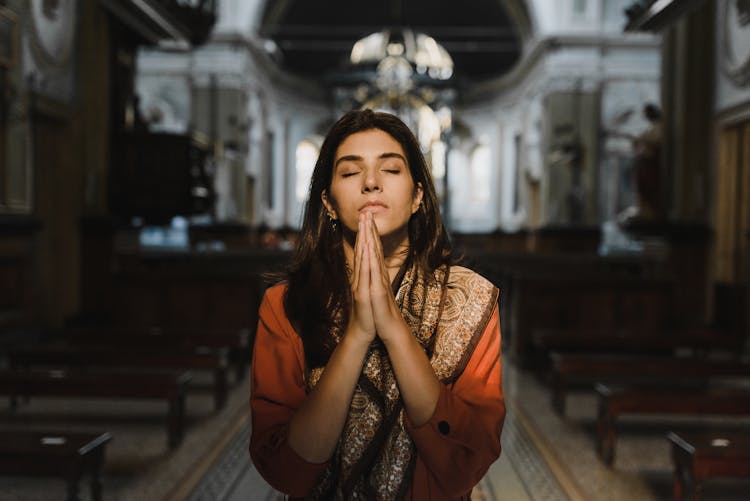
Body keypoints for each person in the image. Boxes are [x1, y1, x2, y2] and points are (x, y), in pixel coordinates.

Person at [249, 109, 505, 500]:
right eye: (350, 173)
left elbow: (466, 463)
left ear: (418, 195)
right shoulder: (284, 304)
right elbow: (286, 471)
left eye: (390, 170)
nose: (371, 183)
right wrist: (357, 335)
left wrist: (393, 328)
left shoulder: (472, 299)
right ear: (329, 203)